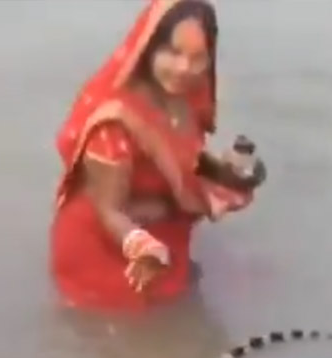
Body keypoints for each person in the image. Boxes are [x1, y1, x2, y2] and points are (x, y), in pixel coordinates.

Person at [50, 0, 266, 312]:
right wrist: (144, 247)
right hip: (110, 250)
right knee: (147, 341)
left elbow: (182, 159)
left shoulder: (184, 98)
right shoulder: (115, 121)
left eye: (197, 58)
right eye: (173, 53)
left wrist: (227, 176)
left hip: (168, 233)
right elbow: (108, 210)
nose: (185, 69)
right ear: (149, 48)